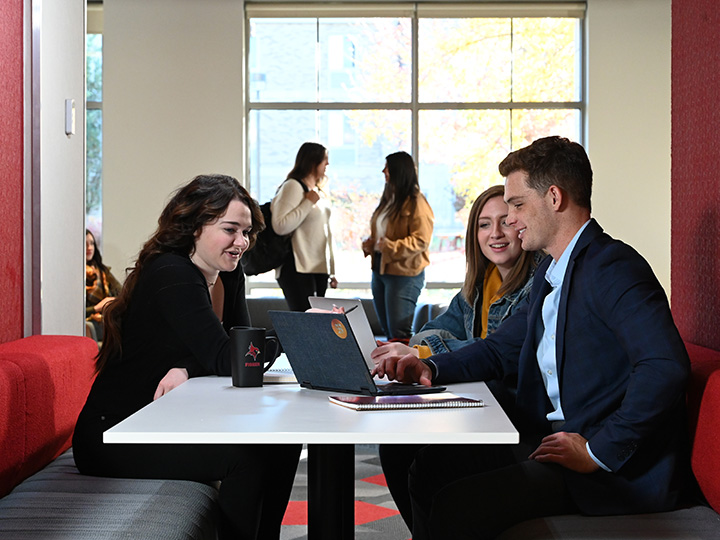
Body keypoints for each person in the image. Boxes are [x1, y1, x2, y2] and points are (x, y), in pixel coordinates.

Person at [372, 136, 690, 539]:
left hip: (603, 468)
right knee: (422, 466)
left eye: (518, 205)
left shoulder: (614, 266)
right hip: (546, 438)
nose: (511, 219)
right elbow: (502, 347)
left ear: (554, 197)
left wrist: (597, 451)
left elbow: (665, 367)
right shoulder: (550, 272)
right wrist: (429, 366)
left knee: (460, 503)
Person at [73, 174, 302, 540]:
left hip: (163, 420)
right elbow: (235, 357)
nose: (241, 242)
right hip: (115, 432)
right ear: (196, 226)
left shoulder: (229, 273)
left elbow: (234, 353)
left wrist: (188, 366)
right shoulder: (172, 272)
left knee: (282, 441)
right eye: (230, 229)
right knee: (247, 459)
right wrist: (301, 331)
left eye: (246, 232)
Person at [371, 184, 543, 529]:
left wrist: (424, 351)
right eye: (483, 224)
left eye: (505, 222)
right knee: (394, 446)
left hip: (513, 415)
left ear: (521, 226)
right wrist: (428, 348)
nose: (495, 233)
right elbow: (431, 331)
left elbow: (496, 352)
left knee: (428, 464)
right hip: (476, 400)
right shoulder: (480, 284)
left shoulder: (538, 285)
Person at [362, 151, 434, 339]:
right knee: (388, 333)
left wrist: (389, 247)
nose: (383, 170)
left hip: (404, 276)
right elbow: (384, 233)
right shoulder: (389, 199)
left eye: (387, 167)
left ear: (398, 170)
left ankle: (406, 368)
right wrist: (372, 244)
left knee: (399, 334)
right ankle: (389, 368)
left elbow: (421, 240)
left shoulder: (416, 201)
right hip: (380, 271)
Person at [271, 142, 337, 312]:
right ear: (313, 163)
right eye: (325, 161)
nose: (327, 165)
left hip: (317, 268)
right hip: (297, 268)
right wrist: (308, 202)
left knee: (316, 325)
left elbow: (325, 233)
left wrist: (332, 269)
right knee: (306, 324)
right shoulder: (293, 186)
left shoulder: (316, 190)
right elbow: (280, 226)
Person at [85, 229, 122, 341]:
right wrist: (96, 307)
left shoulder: (103, 271)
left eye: (91, 243)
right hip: (88, 321)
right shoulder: (73, 276)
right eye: (85, 244)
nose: (89, 248)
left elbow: (122, 293)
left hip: (107, 317)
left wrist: (111, 302)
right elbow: (72, 312)